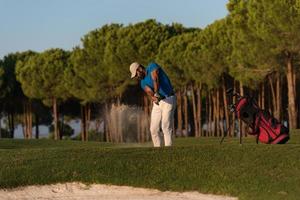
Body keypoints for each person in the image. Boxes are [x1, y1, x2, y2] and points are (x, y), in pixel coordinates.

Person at [129, 62, 176, 147]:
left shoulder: (152, 66)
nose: (136, 77)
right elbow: (149, 92)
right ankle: (157, 149)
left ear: (139, 69)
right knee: (153, 129)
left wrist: (157, 93)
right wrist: (154, 97)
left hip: (169, 99)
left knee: (165, 125)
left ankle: (168, 148)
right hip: (158, 103)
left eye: (136, 74)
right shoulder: (142, 83)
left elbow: (155, 78)